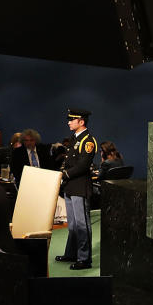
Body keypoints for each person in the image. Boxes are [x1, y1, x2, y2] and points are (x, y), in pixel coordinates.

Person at [57, 108, 97, 270]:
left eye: (72, 119)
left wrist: (64, 174)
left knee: (82, 224)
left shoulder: (88, 141)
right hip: (70, 186)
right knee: (72, 224)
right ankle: (71, 253)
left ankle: (84, 258)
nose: (68, 122)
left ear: (81, 122)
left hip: (79, 185)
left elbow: (83, 166)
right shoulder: (74, 138)